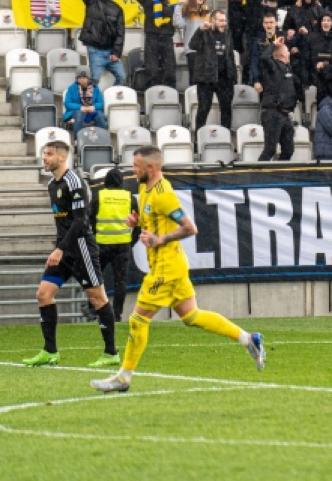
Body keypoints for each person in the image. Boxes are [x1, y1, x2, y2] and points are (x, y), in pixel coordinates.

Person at [90, 145, 265, 393]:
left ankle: (124, 377)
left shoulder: (164, 194)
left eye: (136, 166)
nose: (133, 169)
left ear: (150, 168)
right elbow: (153, 219)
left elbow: (189, 227)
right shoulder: (144, 186)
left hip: (166, 268)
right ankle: (249, 339)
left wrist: (159, 240)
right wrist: (137, 222)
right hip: (172, 264)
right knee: (192, 316)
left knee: (137, 320)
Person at [23, 141, 119, 368]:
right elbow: (64, 223)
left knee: (97, 298)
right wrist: (60, 247)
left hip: (81, 247)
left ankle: (111, 353)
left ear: (62, 157)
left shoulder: (74, 181)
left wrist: (60, 248)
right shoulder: (51, 185)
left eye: (48, 154)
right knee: (43, 294)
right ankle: (50, 352)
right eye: (43, 154)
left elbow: (80, 221)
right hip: (64, 249)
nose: (44, 158)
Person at [90, 168, 136, 322]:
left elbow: (91, 220)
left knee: (96, 278)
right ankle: (116, 314)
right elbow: (139, 222)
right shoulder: (129, 196)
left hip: (102, 244)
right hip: (123, 245)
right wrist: (131, 241)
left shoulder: (99, 196)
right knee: (120, 281)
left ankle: (96, 310)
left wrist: (95, 237)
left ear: (106, 181)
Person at [75, 0, 126, 86]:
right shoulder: (91, 1)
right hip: (95, 51)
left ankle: (112, 100)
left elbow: (121, 33)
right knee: (94, 80)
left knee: (122, 77)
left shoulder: (117, 8)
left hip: (111, 52)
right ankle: (96, 105)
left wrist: (116, 52)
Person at [189, 9, 236, 129]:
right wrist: (200, 30)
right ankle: (198, 138)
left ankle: (226, 137)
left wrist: (233, 77)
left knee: (226, 109)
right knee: (203, 109)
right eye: (220, 20)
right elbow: (192, 45)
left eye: (225, 20)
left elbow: (230, 56)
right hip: (206, 78)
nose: (223, 23)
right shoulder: (204, 32)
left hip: (224, 78)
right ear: (212, 20)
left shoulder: (227, 34)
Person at [257, 41, 302, 160]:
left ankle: (278, 174)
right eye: (287, 51)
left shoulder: (289, 69)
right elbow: (264, 57)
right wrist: (274, 44)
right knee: (270, 149)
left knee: (289, 150)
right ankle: (257, 174)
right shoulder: (273, 67)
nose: (289, 53)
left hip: (286, 114)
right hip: (272, 113)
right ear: (282, 54)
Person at [132, 0, 177, 89]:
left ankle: (170, 91)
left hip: (167, 38)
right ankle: (153, 91)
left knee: (170, 68)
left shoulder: (170, 3)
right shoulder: (148, 0)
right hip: (152, 38)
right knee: (152, 69)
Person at [173, 0, 210, 84]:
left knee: (205, 79)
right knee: (194, 78)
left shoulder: (208, 12)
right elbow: (179, 23)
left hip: (206, 50)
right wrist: (178, 6)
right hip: (192, 49)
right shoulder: (188, 12)